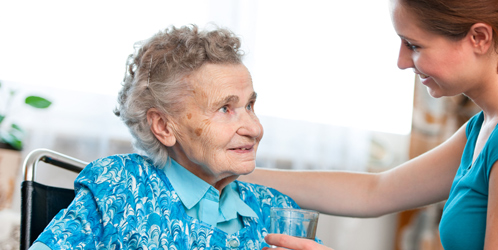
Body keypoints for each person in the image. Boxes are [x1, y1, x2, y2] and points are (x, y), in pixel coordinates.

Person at [242, 0, 498, 249]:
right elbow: (376, 191)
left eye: (413, 45)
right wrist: (235, 173)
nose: (401, 61)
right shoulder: (491, 126)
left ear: (479, 38)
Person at [29, 25, 303, 249]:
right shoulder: (119, 187)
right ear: (163, 126)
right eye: (224, 108)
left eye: (250, 106)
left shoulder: (277, 211)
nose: (254, 129)